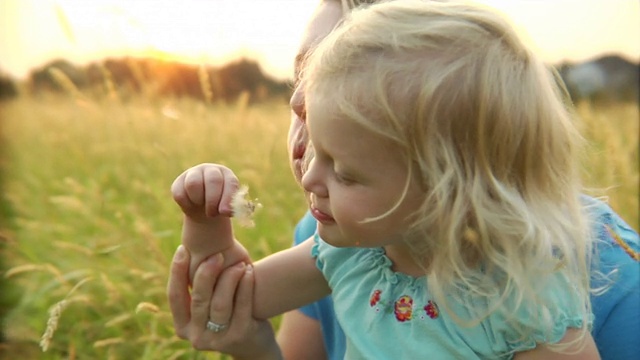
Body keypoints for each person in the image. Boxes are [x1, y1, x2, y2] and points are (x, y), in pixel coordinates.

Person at [167, 0, 640, 359]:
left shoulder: (524, 296)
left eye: (346, 171)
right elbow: (238, 296)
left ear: (450, 192)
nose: (310, 175)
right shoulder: (348, 253)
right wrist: (207, 221)